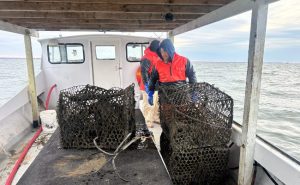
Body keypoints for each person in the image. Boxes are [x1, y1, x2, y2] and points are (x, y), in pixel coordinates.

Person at [148, 39, 197, 105]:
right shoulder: (157, 64)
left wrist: (193, 92)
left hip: (181, 96)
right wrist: (150, 92)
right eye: (161, 52)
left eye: (165, 51)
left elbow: (192, 76)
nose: (163, 54)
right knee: (167, 113)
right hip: (164, 96)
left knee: (181, 113)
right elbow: (153, 79)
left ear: (170, 50)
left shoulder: (184, 60)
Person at [136, 40, 160, 128]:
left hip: (156, 85)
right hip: (148, 86)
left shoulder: (157, 56)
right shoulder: (146, 58)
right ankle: (148, 121)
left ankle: (156, 118)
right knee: (149, 104)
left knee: (156, 103)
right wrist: (147, 86)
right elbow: (144, 73)